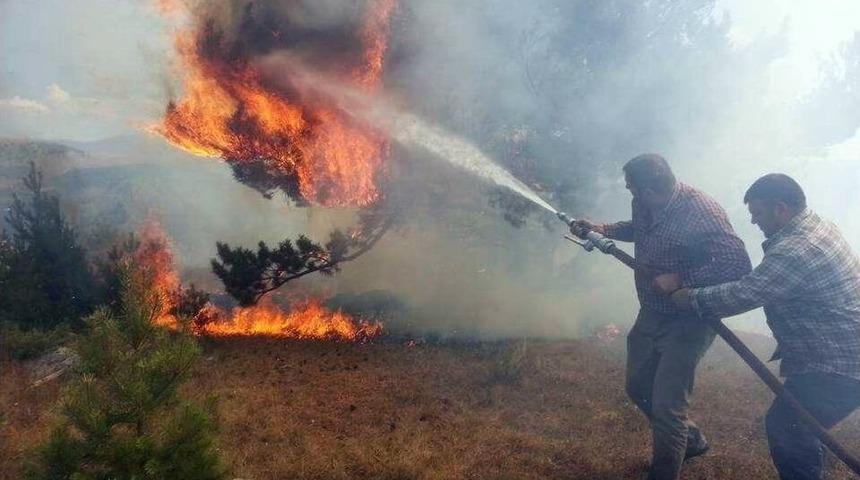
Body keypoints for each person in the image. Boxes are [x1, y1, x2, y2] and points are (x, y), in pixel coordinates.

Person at [572, 154, 751, 480]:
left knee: (668, 406)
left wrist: (681, 278)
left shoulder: (701, 211)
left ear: (650, 189)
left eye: (631, 188)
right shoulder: (644, 203)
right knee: (638, 385)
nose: (628, 192)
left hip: (690, 318)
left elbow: (736, 263)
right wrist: (601, 229)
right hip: (653, 310)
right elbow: (638, 229)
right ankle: (692, 441)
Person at [669, 173, 860, 480]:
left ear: (781, 208)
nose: (755, 222)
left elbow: (746, 293)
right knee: (803, 429)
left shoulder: (796, 250)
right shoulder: (820, 226)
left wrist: (690, 297)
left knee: (788, 428)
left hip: (835, 366)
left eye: (757, 213)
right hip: (843, 354)